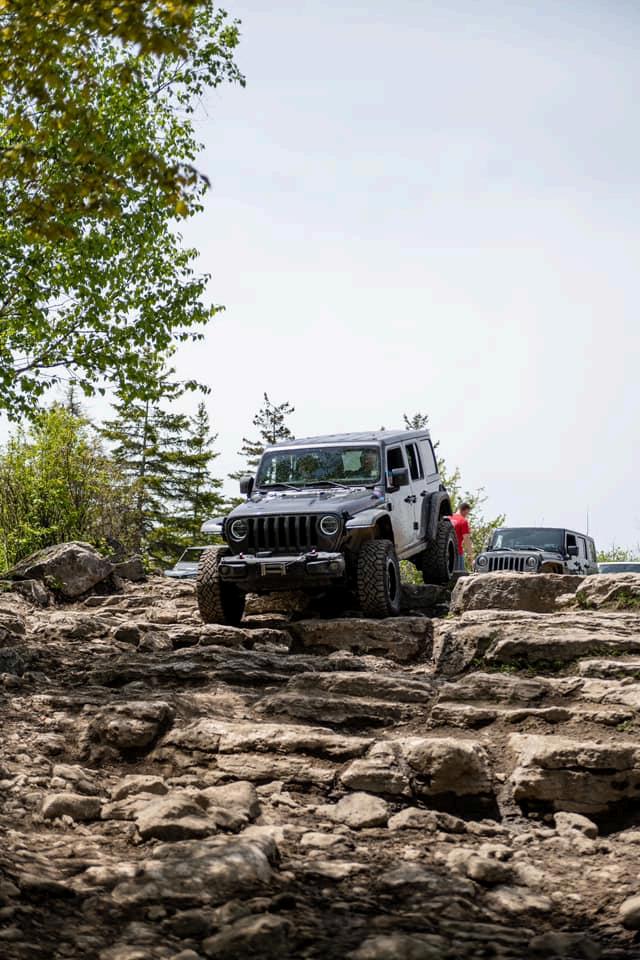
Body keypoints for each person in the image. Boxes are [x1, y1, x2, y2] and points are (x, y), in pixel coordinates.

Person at [448, 502, 474, 572]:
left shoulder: (447, 518)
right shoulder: (463, 521)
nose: (466, 515)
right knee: (459, 575)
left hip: (445, 553)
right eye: (467, 513)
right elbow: (467, 540)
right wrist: (470, 556)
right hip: (457, 553)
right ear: (465, 510)